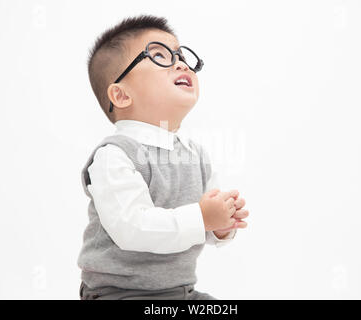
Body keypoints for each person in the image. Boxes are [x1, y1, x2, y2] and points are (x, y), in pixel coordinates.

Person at [77, 14, 249, 300]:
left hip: (181, 292)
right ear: (120, 96)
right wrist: (202, 217)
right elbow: (133, 228)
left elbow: (201, 223)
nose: (181, 63)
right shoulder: (115, 156)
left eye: (181, 55)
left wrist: (220, 225)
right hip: (118, 293)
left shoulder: (196, 155)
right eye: (159, 56)